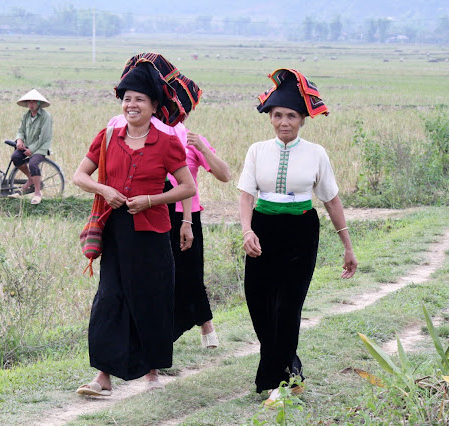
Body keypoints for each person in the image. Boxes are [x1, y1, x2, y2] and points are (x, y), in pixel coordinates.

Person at [73, 57, 198, 396]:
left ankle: (152, 372)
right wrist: (104, 190)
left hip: (153, 233)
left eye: (139, 99)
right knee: (110, 298)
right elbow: (79, 176)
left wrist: (151, 200)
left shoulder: (168, 142)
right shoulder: (108, 137)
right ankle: (103, 377)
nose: (131, 104)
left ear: (154, 105)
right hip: (115, 232)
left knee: (151, 298)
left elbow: (187, 187)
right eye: (127, 98)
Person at [237, 68, 358, 406]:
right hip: (262, 230)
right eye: (278, 115)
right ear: (270, 118)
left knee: (288, 306)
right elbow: (246, 195)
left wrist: (347, 246)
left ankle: (280, 383)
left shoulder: (316, 154)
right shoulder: (257, 151)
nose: (284, 121)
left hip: (301, 232)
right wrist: (247, 230)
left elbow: (331, 199)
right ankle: (291, 369)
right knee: (259, 303)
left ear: (303, 119)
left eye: (291, 115)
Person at [107, 114, 231, 348]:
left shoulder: (189, 139)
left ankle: (205, 325)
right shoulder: (143, 138)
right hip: (150, 211)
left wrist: (202, 147)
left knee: (191, 273)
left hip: (186, 217)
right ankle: (160, 336)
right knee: (160, 278)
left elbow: (224, 175)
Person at [9, 88, 52, 205]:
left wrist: (32, 149)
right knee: (15, 157)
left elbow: (43, 137)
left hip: (41, 147)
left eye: (34, 102)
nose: (31, 104)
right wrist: (19, 140)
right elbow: (21, 130)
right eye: (29, 102)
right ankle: (31, 178)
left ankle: (37, 193)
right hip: (27, 145)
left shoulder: (45, 116)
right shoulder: (26, 116)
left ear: (38, 103)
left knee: (33, 163)